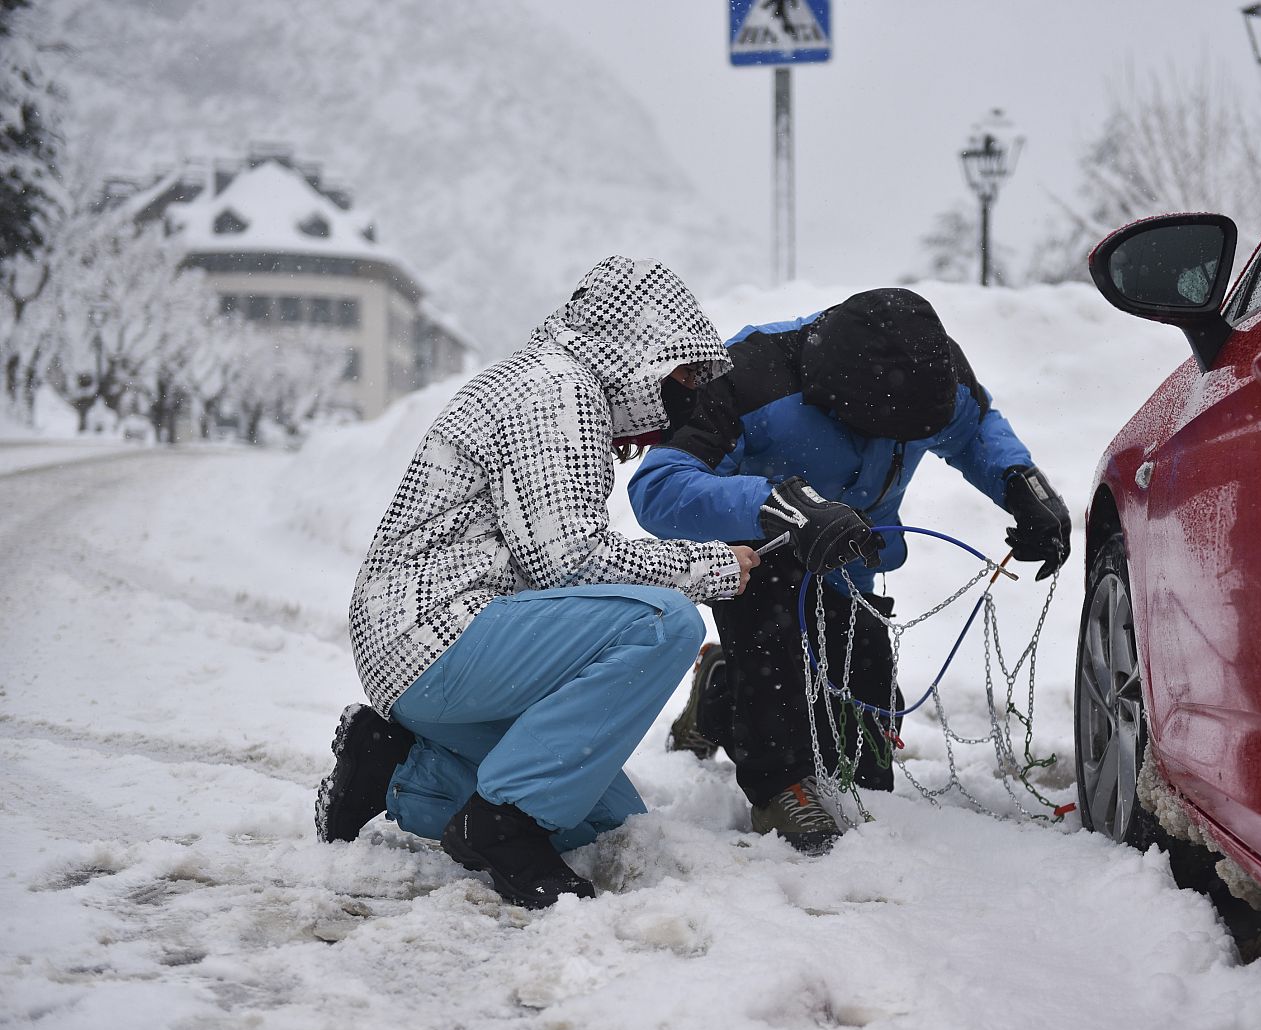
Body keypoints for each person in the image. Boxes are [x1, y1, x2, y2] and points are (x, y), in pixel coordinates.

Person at [314, 255, 759, 910]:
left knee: (597, 821)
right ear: (640, 350)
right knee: (665, 623)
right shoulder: (559, 390)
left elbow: (551, 566)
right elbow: (570, 563)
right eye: (682, 373)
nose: (685, 395)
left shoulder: (551, 384)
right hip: (440, 628)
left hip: (420, 650)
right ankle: (504, 825)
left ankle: (393, 765)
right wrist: (712, 567)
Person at [627, 287, 1071, 854]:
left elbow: (976, 430)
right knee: (775, 676)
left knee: (864, 758)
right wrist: (777, 505)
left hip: (851, 554)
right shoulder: (744, 376)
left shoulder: (931, 370)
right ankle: (777, 787)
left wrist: (1021, 485)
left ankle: (719, 686)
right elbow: (657, 488)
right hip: (756, 551)